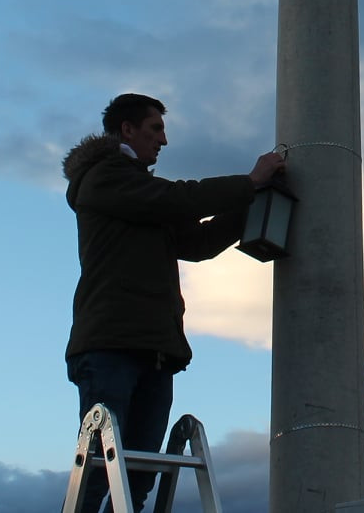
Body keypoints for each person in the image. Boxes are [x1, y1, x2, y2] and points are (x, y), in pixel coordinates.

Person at [62, 92, 285, 513]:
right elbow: (178, 199)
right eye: (155, 129)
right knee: (99, 472)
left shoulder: (140, 195)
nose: (163, 141)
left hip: (155, 348)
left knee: (140, 479)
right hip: (111, 344)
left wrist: (251, 200)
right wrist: (250, 182)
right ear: (127, 129)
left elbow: (197, 242)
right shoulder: (105, 177)